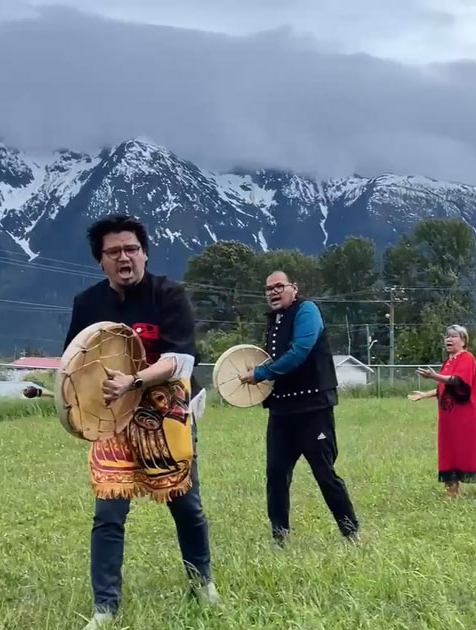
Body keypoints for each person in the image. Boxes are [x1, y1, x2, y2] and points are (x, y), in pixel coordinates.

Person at [63, 215, 217, 629]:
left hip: (165, 411)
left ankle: (203, 585)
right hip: (112, 418)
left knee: (186, 504)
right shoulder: (87, 305)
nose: (124, 257)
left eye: (131, 249)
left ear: (144, 253)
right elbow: (75, 365)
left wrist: (134, 380)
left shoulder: (169, 294)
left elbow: (180, 359)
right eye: (113, 252)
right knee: (109, 513)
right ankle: (105, 607)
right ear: (101, 261)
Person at [240, 270, 360, 547]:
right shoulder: (274, 321)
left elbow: (299, 351)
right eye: (268, 288)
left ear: (293, 288)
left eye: (279, 286)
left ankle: (351, 532)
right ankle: (279, 536)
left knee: (324, 473)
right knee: (276, 475)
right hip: (282, 411)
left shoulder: (307, 311)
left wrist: (260, 373)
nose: (273, 292)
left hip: (312, 407)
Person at [408, 325, 476, 498]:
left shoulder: (467, 358)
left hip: (467, 416)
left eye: (453, 336)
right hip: (449, 418)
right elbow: (444, 387)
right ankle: (452, 490)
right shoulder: (449, 361)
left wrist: (434, 376)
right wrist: (424, 394)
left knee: (471, 451)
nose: (448, 340)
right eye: (447, 336)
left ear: (464, 340)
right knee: (449, 452)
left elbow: (458, 382)